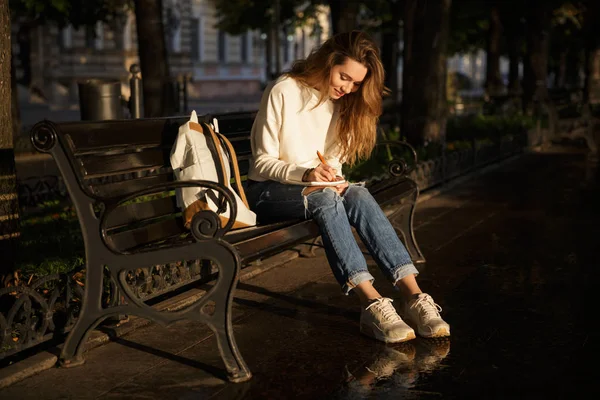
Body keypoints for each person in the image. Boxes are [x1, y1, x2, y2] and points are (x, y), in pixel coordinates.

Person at [245, 31, 450, 343]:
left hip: (312, 189)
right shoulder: (284, 90)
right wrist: (307, 174)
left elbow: (332, 161)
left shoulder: (340, 103)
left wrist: (332, 176)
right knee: (327, 199)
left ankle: (414, 296)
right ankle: (371, 303)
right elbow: (261, 163)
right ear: (328, 62)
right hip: (268, 192)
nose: (348, 88)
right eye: (344, 77)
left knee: (356, 192)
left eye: (356, 84)